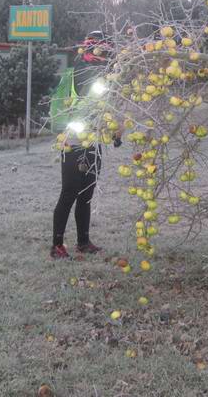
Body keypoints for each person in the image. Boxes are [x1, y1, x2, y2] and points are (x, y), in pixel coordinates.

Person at [50, 31, 121, 259]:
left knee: (86, 194)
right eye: (104, 51)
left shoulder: (98, 74)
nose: (106, 56)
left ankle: (83, 242)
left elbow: (103, 110)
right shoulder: (84, 73)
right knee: (69, 193)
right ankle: (57, 245)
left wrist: (113, 132)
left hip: (92, 142)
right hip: (73, 143)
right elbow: (92, 107)